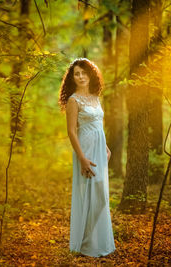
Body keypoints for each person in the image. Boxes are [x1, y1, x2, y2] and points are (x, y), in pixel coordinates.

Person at [58, 58, 116, 257]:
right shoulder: (74, 100)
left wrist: (106, 147)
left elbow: (97, 125)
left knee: (101, 194)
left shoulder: (95, 97)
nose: (81, 76)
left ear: (91, 74)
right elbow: (72, 131)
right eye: (76, 73)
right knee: (89, 193)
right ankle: (85, 243)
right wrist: (81, 158)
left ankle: (92, 239)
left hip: (100, 149)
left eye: (84, 72)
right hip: (85, 150)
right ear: (72, 78)